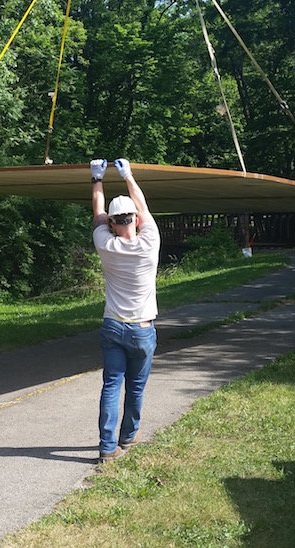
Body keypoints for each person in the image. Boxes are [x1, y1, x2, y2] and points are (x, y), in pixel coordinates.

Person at [90, 157, 160, 462]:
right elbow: (142, 207)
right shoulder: (150, 241)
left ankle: (107, 448)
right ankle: (129, 435)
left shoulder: (105, 243)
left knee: (111, 385)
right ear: (135, 220)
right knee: (136, 386)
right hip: (142, 329)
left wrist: (97, 178)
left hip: (112, 327)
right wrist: (127, 174)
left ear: (112, 223)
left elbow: (97, 213)